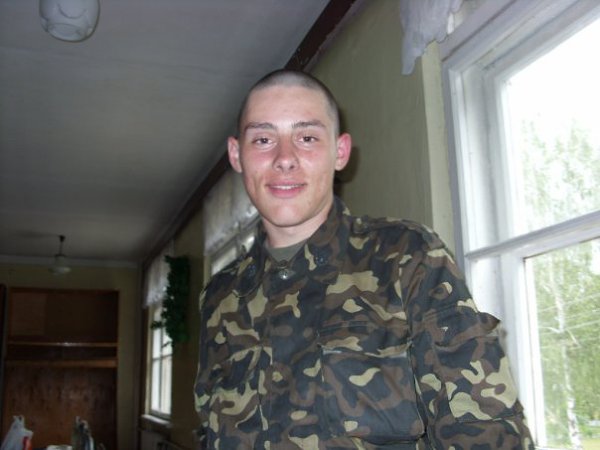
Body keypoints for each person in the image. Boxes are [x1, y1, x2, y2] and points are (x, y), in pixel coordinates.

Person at [194, 69, 534, 449]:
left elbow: (485, 431)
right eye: (263, 139)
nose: (284, 158)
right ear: (236, 154)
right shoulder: (219, 297)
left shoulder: (408, 257)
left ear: (340, 152)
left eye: (307, 138)